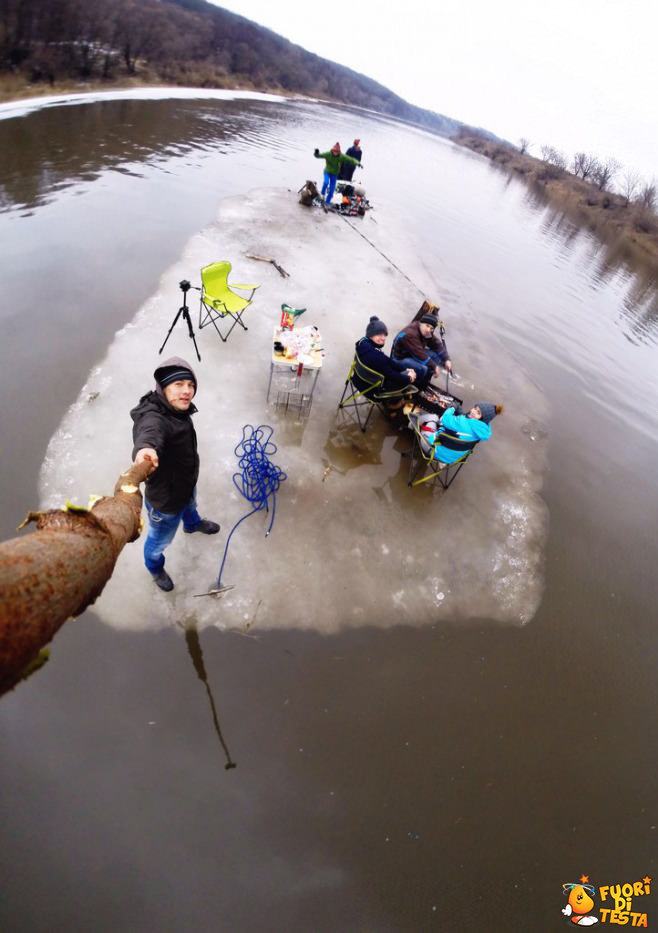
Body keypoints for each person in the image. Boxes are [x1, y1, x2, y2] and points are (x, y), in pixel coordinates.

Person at [131, 357, 220, 592]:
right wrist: (145, 450)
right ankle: (154, 567)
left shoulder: (177, 410)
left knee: (191, 505)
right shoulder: (155, 417)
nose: (187, 391)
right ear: (163, 387)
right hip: (166, 503)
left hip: (186, 484)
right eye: (179, 384)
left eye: (190, 385)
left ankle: (192, 524)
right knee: (158, 542)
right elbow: (149, 433)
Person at [353, 316, 417, 404]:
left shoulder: (362, 343)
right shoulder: (375, 356)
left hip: (357, 378)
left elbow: (387, 360)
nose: (383, 338)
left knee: (403, 370)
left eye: (384, 335)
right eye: (379, 335)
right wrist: (409, 379)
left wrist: (404, 369)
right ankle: (392, 405)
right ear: (370, 335)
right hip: (371, 391)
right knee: (407, 379)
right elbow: (391, 374)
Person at [416, 402, 503, 464]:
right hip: (454, 458)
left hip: (433, 451)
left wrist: (452, 407)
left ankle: (412, 423)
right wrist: (465, 416)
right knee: (445, 429)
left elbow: (444, 419)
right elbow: (466, 426)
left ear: (482, 418)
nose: (473, 411)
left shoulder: (462, 422)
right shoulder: (483, 430)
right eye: (475, 408)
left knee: (434, 417)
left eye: (478, 413)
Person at [392, 311, 452, 386]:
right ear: (421, 323)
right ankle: (417, 385)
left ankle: (427, 379)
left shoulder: (425, 331)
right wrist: (434, 367)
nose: (428, 330)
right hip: (400, 359)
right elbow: (419, 354)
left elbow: (437, 344)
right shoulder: (410, 334)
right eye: (427, 326)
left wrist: (446, 359)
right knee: (423, 369)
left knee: (435, 356)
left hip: (412, 353)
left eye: (431, 328)